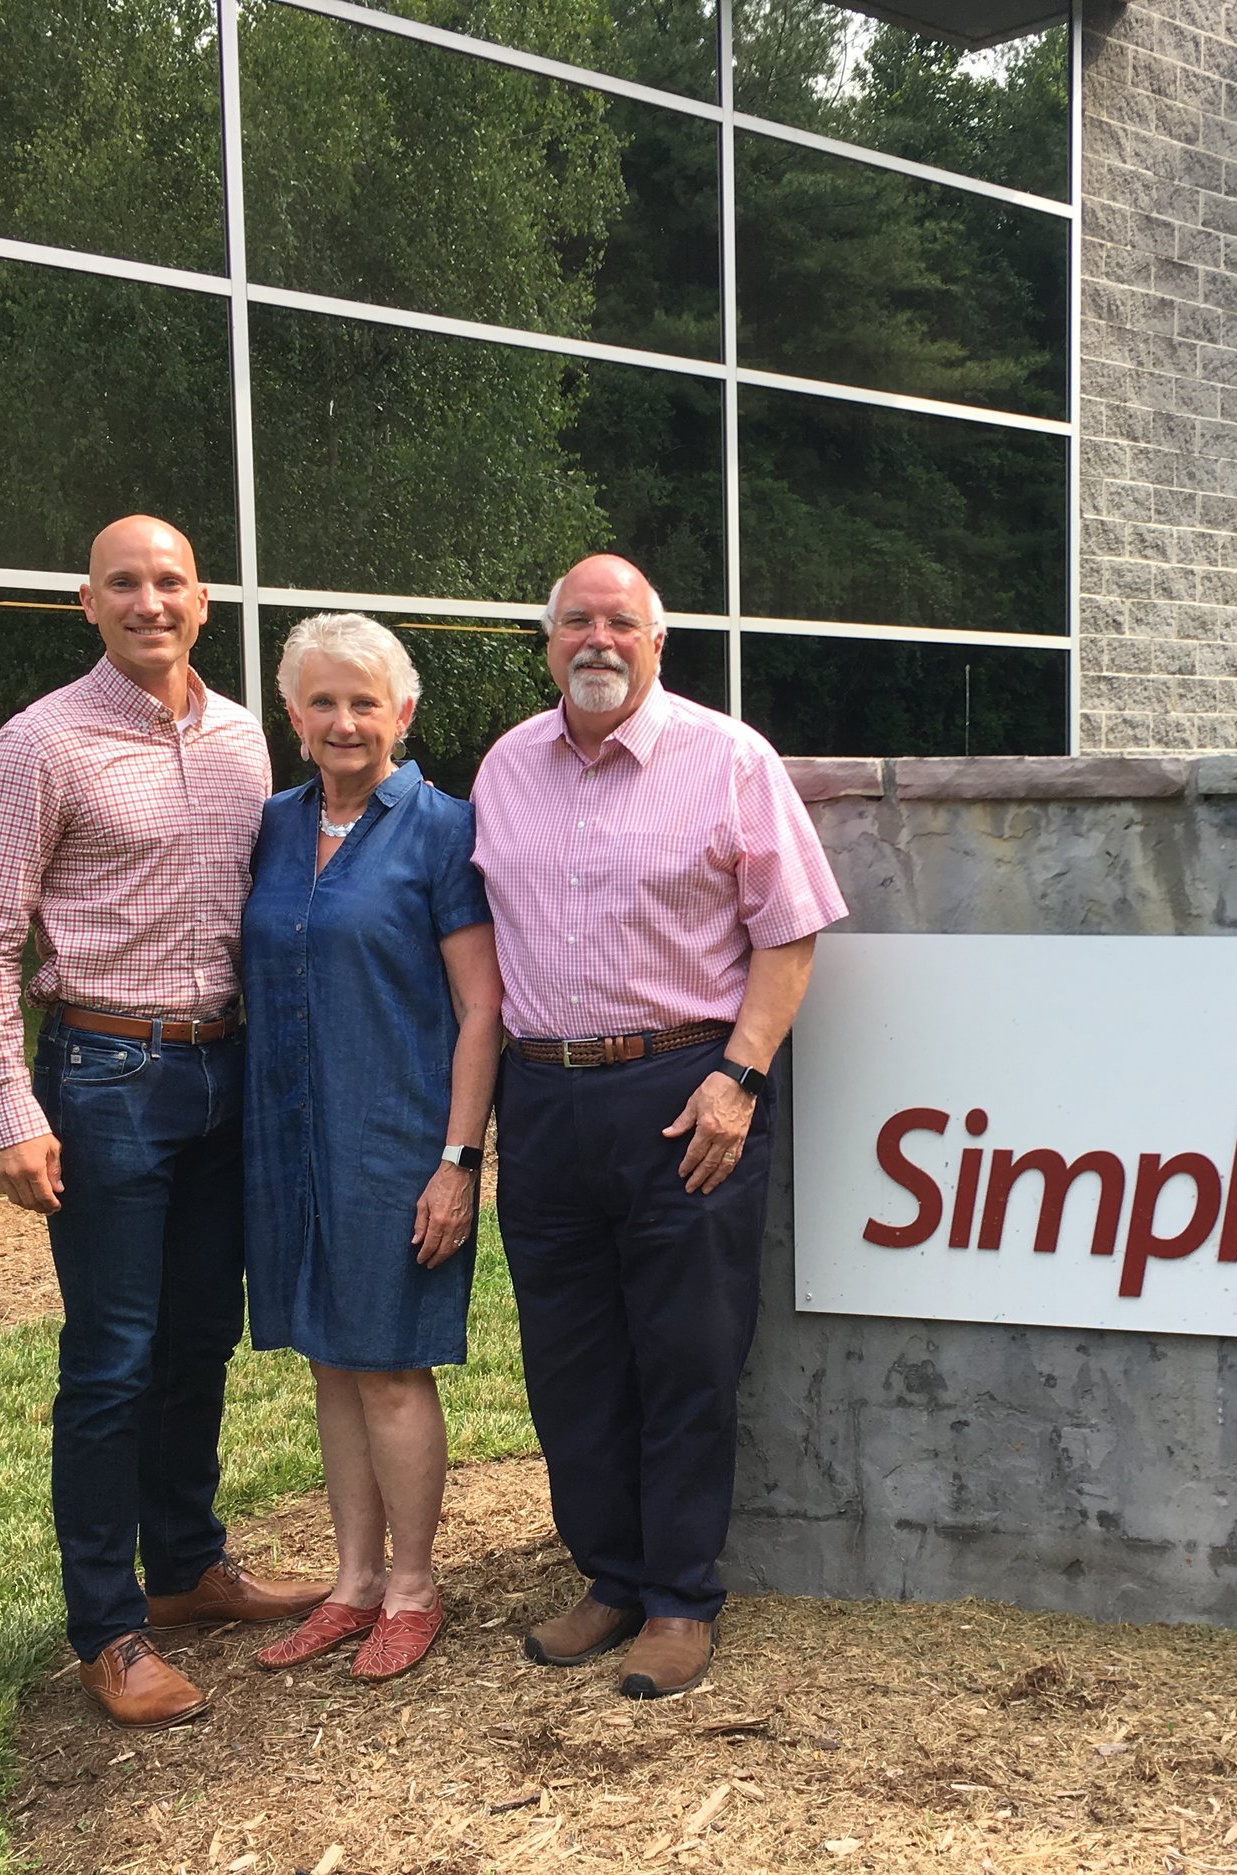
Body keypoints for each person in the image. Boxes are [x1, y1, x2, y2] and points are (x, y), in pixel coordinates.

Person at [0, 515, 326, 1729]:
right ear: (87, 603)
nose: (148, 601)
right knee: (111, 1358)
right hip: (106, 1075)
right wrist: (6, 1103)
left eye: (169, 582)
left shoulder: (239, 738)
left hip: (223, 1074)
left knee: (202, 1335)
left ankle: (187, 1569)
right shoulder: (38, 747)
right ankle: (107, 1627)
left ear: (202, 602)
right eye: (125, 584)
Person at [471, 552, 847, 1699]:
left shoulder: (728, 760)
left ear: (655, 642)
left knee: (685, 1355)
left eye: (620, 623)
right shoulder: (503, 768)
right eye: (576, 622)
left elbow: (790, 933)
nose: (597, 640)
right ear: (547, 644)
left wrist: (739, 1078)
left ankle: (680, 1596)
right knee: (570, 1360)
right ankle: (610, 1577)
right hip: (540, 1099)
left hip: (685, 1091)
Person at [241, 614, 503, 1683]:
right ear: (293, 716)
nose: (344, 721)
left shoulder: (444, 829)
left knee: (390, 1367)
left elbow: (481, 1008)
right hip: (290, 1132)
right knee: (331, 1362)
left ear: (403, 713)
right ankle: (350, 1584)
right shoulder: (270, 824)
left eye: (366, 701)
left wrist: (458, 1160)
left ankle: (412, 1587)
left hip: (396, 1134)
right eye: (322, 701)